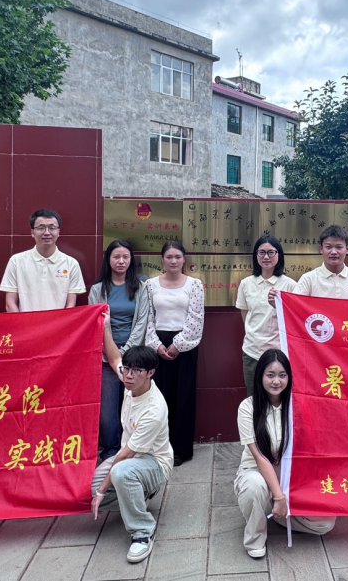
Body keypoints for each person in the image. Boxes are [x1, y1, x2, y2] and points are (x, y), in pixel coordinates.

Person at [235, 350, 334, 558]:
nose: (276, 381)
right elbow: (259, 457)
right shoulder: (247, 408)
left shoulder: (297, 405)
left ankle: (279, 516)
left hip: (290, 473)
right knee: (255, 487)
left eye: (282, 375)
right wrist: (279, 496)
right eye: (270, 375)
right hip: (257, 469)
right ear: (260, 376)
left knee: (325, 524)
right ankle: (255, 535)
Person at [91, 346, 172, 564]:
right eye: (126, 369)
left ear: (150, 373)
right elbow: (114, 357)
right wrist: (104, 328)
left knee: (118, 474)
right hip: (130, 459)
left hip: (154, 464)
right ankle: (137, 495)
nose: (128, 375)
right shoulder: (131, 383)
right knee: (92, 487)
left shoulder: (154, 409)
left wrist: (101, 491)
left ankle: (142, 531)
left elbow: (125, 456)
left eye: (136, 370)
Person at [89, 240, 152, 462]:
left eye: (125, 257)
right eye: (116, 257)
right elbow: (95, 324)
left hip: (134, 357)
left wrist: (125, 353)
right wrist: (111, 353)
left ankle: (134, 448)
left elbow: (142, 322)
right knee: (108, 411)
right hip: (105, 357)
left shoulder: (141, 288)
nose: (121, 261)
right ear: (108, 259)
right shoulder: (97, 290)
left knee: (136, 404)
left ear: (131, 260)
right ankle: (110, 451)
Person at [145, 240, 204, 466]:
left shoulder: (194, 285)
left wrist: (178, 344)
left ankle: (181, 449)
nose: (173, 261)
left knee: (183, 397)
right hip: (157, 346)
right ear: (162, 259)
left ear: (184, 259)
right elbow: (146, 317)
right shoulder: (150, 285)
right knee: (159, 398)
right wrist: (156, 344)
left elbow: (196, 317)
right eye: (169, 257)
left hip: (185, 346)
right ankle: (160, 447)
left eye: (177, 257)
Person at [236, 235, 297, 394]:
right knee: (254, 397)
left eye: (271, 252)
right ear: (255, 255)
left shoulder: (290, 285)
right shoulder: (246, 283)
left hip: (279, 352)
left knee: (278, 397)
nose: (266, 257)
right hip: (252, 351)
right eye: (261, 252)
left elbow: (295, 319)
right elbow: (245, 315)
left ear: (279, 255)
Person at [1, 209, 86, 312]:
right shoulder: (16, 261)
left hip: (59, 322)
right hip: (26, 321)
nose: (46, 233)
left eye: (52, 228)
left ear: (58, 232)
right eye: (41, 228)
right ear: (32, 232)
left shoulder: (71, 263)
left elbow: (70, 305)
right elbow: (10, 303)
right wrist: (22, 322)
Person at [294, 225, 348, 300]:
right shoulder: (308, 279)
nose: (333, 252)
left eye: (339, 247)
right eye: (328, 247)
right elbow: (295, 304)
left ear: (347, 249)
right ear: (321, 249)